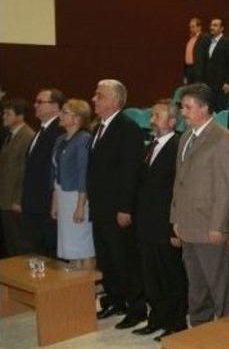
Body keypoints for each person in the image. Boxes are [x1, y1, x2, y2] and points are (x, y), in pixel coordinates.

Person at [171, 83, 229, 327]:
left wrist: (218, 225)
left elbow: (225, 187)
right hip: (187, 224)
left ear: (205, 108)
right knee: (196, 287)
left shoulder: (223, 138)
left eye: (188, 107)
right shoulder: (185, 137)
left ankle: (227, 333)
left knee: (220, 287)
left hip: (209, 227)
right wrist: (175, 218)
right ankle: (200, 333)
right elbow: (179, 181)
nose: (183, 112)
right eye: (182, 107)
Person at [88, 80, 146, 329]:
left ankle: (136, 308)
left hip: (117, 209)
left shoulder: (127, 128)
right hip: (100, 207)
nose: (94, 99)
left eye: (99, 95)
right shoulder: (98, 128)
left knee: (125, 259)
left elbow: (130, 171)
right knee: (107, 259)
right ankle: (115, 300)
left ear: (115, 101)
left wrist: (125, 208)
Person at [132, 100, 186, 341]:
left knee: (170, 275)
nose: (152, 120)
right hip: (146, 222)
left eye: (157, 115)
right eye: (152, 115)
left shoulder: (178, 146)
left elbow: (179, 189)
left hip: (166, 223)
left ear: (172, 121)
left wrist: (176, 226)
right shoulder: (150, 145)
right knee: (150, 275)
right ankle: (157, 319)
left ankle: (176, 322)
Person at [51, 99, 95, 269]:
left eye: (65, 112)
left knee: (83, 246)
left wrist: (80, 206)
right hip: (62, 196)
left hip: (78, 196)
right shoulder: (60, 139)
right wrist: (55, 202)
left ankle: (85, 282)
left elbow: (84, 174)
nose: (60, 115)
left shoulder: (84, 139)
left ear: (77, 118)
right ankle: (74, 281)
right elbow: (56, 172)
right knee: (70, 245)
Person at [21, 88, 65, 257]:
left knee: (50, 253)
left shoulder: (59, 131)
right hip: (33, 202)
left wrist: (52, 201)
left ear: (55, 106)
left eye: (40, 102)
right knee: (35, 252)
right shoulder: (42, 130)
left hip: (46, 204)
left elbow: (56, 170)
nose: (35, 105)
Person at [0, 99, 34, 255]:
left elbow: (25, 171)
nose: (4, 116)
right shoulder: (11, 136)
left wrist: (18, 200)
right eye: (4, 113)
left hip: (14, 200)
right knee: (11, 242)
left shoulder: (27, 136)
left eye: (8, 114)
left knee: (19, 242)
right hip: (5, 198)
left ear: (20, 117)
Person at [195, 18, 229, 111]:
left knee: (218, 109)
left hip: (220, 84)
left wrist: (228, 82)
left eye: (215, 25)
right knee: (207, 108)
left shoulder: (227, 42)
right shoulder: (206, 41)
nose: (212, 27)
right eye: (211, 25)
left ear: (222, 28)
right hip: (207, 83)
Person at [183, 17, 203, 84]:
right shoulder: (190, 39)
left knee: (196, 89)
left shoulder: (204, 38)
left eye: (193, 27)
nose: (191, 29)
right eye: (190, 27)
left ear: (199, 27)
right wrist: (185, 74)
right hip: (189, 69)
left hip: (197, 70)